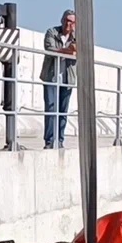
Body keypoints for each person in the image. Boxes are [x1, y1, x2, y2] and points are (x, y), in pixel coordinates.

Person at [40, 9, 76, 149]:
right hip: (51, 77)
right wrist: (69, 51)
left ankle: (59, 140)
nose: (69, 24)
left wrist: (70, 51)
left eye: (72, 22)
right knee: (50, 109)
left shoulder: (77, 37)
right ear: (62, 20)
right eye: (67, 20)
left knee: (62, 111)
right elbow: (50, 50)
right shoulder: (52, 32)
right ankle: (49, 141)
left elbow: (80, 53)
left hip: (68, 79)